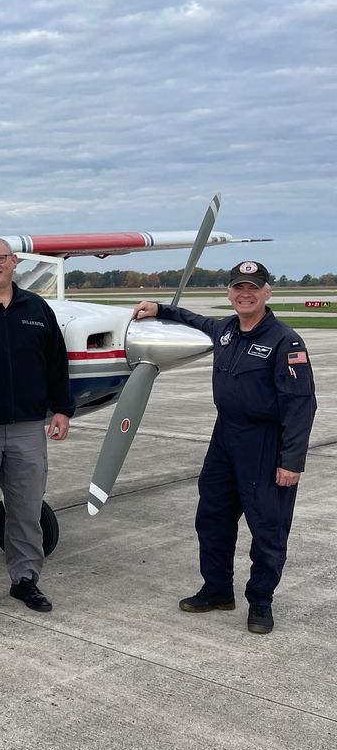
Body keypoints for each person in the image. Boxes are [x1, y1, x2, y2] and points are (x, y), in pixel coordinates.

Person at [132, 261, 316, 633]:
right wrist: (161, 309)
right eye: (238, 287)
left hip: (264, 443)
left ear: (268, 292)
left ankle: (261, 602)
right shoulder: (226, 330)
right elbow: (194, 320)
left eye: (253, 287)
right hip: (224, 439)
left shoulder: (286, 341)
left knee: (267, 527)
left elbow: (301, 405)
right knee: (212, 518)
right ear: (229, 293)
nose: (244, 294)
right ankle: (217, 590)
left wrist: (291, 461)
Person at [0, 238, 74, 614]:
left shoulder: (37, 308)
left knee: (25, 508)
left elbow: (57, 361)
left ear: (14, 262)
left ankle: (25, 579)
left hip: (26, 428)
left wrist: (62, 409)